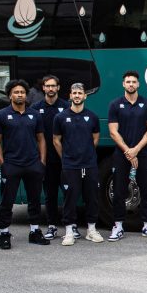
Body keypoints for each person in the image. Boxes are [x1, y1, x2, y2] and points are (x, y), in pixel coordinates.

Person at [0, 79, 47, 249]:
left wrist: (42, 162)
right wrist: (2, 164)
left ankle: (35, 231)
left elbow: (41, 140)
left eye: (22, 92)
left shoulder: (34, 115)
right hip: (12, 165)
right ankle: (4, 234)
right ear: (10, 95)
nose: (19, 95)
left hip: (32, 165)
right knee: (7, 202)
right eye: (16, 92)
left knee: (35, 200)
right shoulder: (1, 116)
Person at [107, 70, 147, 240]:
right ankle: (118, 226)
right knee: (119, 191)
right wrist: (128, 152)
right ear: (123, 84)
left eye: (133, 82)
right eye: (128, 81)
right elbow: (113, 132)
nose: (131, 84)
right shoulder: (115, 105)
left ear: (138, 85)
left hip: (143, 154)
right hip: (121, 154)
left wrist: (136, 150)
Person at [52, 83, 104, 245]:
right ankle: (69, 232)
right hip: (70, 166)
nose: (77, 96)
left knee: (92, 198)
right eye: (74, 93)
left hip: (89, 165)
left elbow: (95, 138)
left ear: (85, 96)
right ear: (70, 95)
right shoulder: (60, 117)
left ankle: (91, 230)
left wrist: (86, 152)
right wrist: (66, 157)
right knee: (70, 199)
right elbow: (56, 140)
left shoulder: (93, 117)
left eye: (80, 93)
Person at [31, 75, 70, 241]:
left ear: (58, 88)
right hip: (47, 161)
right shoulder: (35, 108)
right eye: (48, 86)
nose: (51, 89)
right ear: (43, 88)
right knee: (50, 195)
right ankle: (52, 226)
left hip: (65, 160)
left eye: (54, 86)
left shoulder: (67, 107)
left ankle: (71, 225)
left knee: (69, 193)